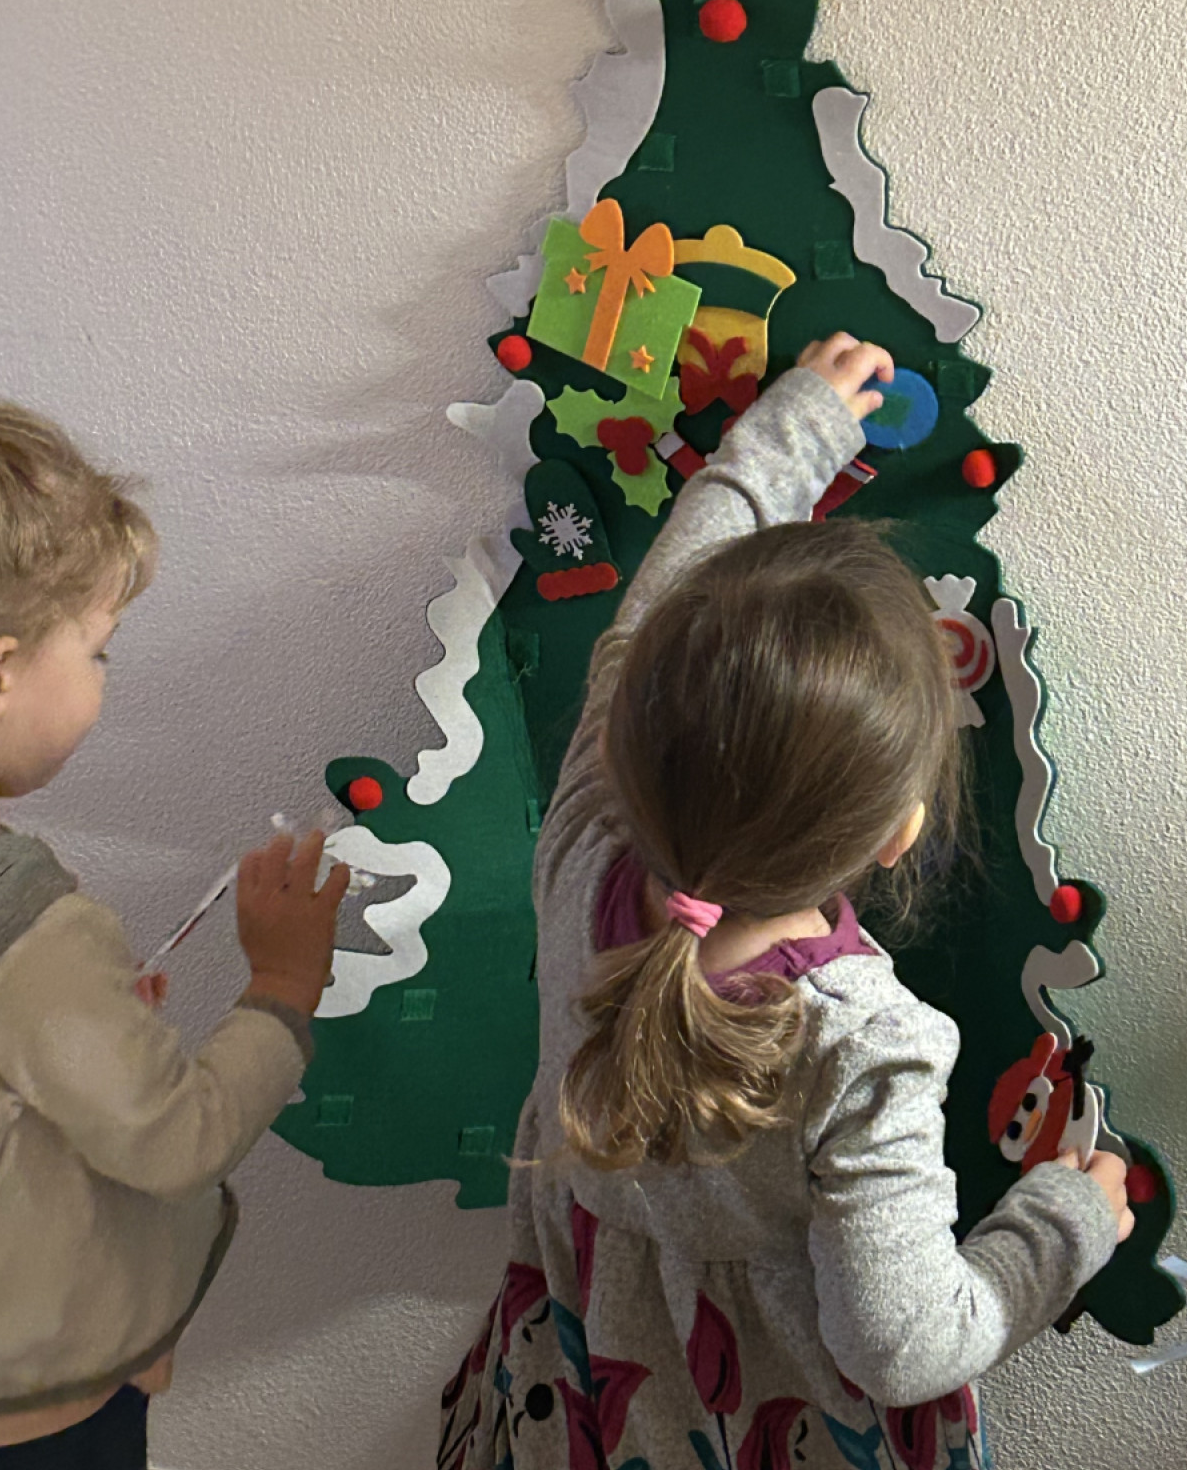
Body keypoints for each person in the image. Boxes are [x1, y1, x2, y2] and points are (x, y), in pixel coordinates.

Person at [441, 334, 1133, 1470]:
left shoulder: (581, 838)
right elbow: (904, 1347)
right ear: (899, 834)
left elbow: (656, 606)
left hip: (587, 1389)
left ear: (626, 730)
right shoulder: (867, 1045)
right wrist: (1064, 1227)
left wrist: (795, 428)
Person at [0, 350, 351, 1468]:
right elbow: (179, 1138)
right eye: (98, 650)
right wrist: (282, 984)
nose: (105, 674)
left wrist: (75, 1032)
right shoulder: (28, 947)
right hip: (46, 1406)